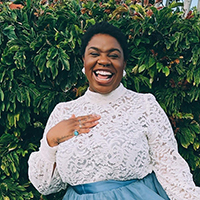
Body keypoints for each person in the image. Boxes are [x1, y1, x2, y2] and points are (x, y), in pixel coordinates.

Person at [28, 21, 200, 200]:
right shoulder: (63, 112)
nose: (103, 61)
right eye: (94, 54)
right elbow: (46, 186)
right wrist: (51, 141)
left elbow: (170, 168)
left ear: (123, 63)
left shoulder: (145, 106)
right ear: (84, 61)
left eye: (113, 55)